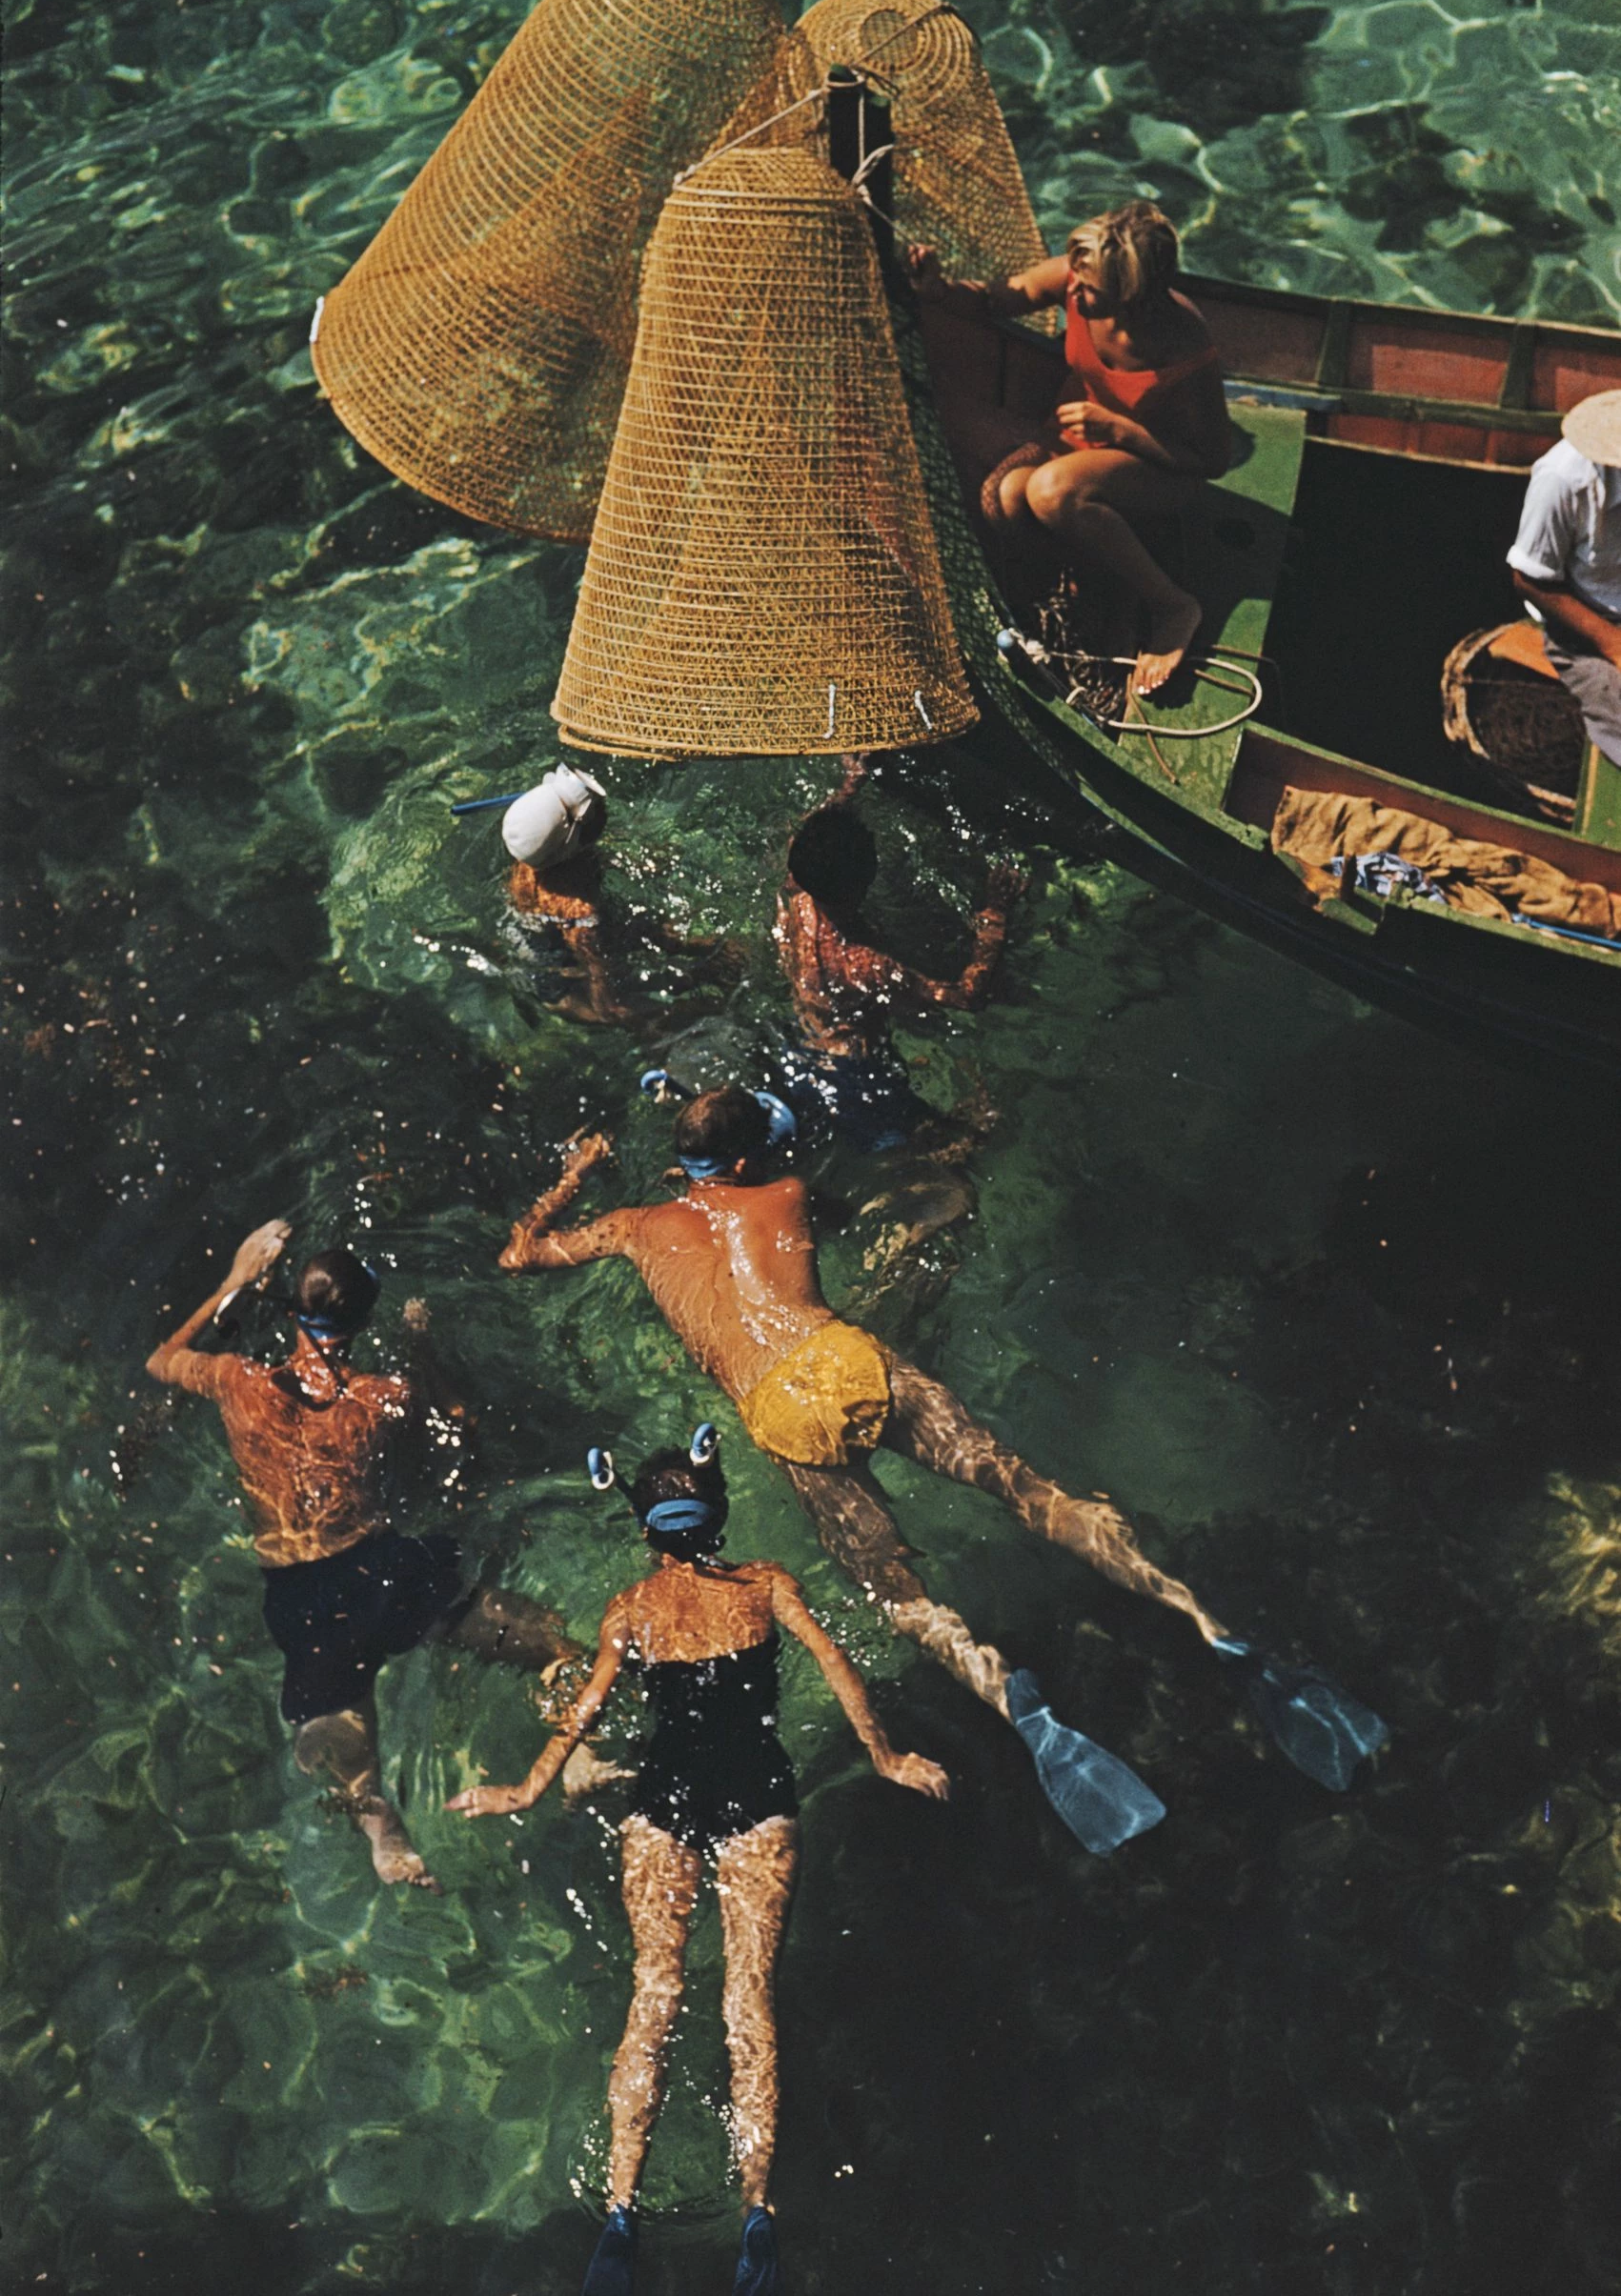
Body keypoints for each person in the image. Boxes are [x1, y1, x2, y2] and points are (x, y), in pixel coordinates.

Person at [497, 1099, 1388, 1850]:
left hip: (777, 1409)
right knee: (1023, 1489)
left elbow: (519, 1255)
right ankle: (1211, 1628)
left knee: (894, 1590)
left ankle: (1023, 1713)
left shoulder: (633, 1229)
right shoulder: (788, 1191)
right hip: (846, 1359)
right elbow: (861, 1216)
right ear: (746, 1157)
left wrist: (576, 1171)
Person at [448, 1431, 947, 2296]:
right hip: (756, 1800)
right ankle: (756, 2210)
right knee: (745, 1999)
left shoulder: (630, 1608)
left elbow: (585, 1714)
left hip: (663, 1809)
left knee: (655, 1994)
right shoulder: (765, 1586)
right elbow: (834, 1667)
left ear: (646, 1531)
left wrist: (526, 1792)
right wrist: (885, 1757)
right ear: (716, 1517)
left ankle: (619, 2212)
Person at [147, 1220, 604, 1892]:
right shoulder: (383, 1397)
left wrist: (235, 1282)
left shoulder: (235, 1382)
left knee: (344, 1732)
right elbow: (459, 1424)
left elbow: (160, 1360)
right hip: (385, 1571)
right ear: (361, 1321)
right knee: (552, 1645)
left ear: (291, 1313)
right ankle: (582, 1751)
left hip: (300, 1593)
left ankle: (382, 1832)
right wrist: (423, 1348)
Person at [911, 199, 1231, 693]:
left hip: (1156, 466)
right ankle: (1092, 572)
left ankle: (1172, 605)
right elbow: (993, 300)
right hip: (1078, 443)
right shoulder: (1078, 277)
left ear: (1137, 295)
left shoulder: (1184, 345)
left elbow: (1211, 461)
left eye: (1092, 290)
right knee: (1006, 498)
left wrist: (1121, 430)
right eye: (1076, 280)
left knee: (1052, 492)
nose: (1074, 293)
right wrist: (938, 289)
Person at [774, 788, 1021, 1155]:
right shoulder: (863, 962)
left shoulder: (796, 894)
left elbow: (809, 836)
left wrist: (848, 787)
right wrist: (996, 916)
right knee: (972, 1135)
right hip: (855, 1076)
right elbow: (966, 996)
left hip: (800, 1048)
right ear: (865, 879)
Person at [501, 761, 742, 1027]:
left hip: (552, 931)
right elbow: (608, 1005)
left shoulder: (535, 856)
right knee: (632, 1007)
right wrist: (700, 1010)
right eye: (591, 812)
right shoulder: (581, 914)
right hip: (563, 987)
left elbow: (591, 851)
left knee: (682, 939)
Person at [1507, 388, 1621, 770]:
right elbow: (1530, 579)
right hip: (1588, 624)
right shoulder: (1562, 480)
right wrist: (1613, 643)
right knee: (1613, 697)